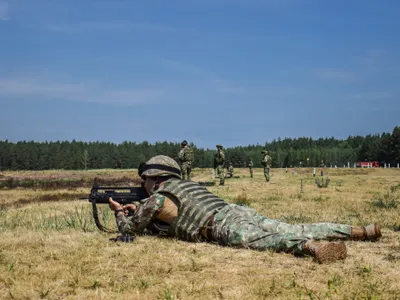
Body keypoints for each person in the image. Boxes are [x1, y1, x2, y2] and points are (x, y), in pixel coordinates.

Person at [109, 155, 382, 264]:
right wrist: (139, 207)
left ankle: (311, 248)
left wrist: (120, 212)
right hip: (235, 210)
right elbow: (170, 216)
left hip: (219, 224)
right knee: (293, 226)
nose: (142, 185)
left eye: (144, 180)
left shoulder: (157, 197)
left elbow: (130, 229)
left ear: (155, 178)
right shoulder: (186, 186)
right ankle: (360, 231)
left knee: (265, 241)